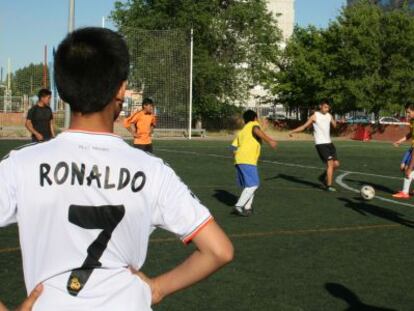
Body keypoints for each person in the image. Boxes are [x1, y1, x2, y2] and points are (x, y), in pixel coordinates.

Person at [0, 27, 233, 310]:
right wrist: (157, 289)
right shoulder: (153, 171)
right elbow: (219, 251)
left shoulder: (21, 165)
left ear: (61, 89)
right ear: (121, 89)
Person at [231, 110, 277, 217]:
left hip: (240, 159)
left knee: (249, 185)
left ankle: (247, 207)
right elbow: (256, 130)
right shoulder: (254, 125)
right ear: (255, 118)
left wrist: (236, 156)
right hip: (247, 159)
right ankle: (239, 206)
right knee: (253, 185)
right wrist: (270, 141)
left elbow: (233, 146)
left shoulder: (243, 131)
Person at [289, 99, 340, 192]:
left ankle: (323, 176)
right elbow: (304, 127)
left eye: (328, 108)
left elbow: (335, 125)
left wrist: (335, 122)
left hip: (329, 143)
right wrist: (292, 131)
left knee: (336, 164)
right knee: (330, 164)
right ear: (320, 106)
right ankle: (328, 186)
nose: (327, 109)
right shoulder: (315, 116)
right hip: (321, 144)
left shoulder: (329, 115)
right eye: (325, 107)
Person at [392, 103, 414, 199]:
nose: (407, 114)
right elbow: (410, 134)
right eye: (406, 112)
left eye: (408, 112)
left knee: (408, 171)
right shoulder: (412, 121)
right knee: (408, 170)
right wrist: (400, 141)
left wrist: (410, 167)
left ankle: (405, 193)